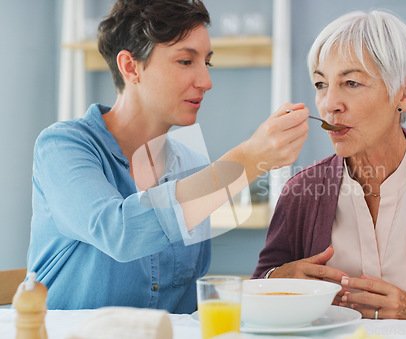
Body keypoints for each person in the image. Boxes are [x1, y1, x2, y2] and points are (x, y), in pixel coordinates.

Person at [27, 0, 309, 313]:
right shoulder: (63, 147)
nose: (206, 82)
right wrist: (248, 160)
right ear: (131, 67)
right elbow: (119, 232)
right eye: (186, 61)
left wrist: (272, 283)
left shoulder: (192, 167)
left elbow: (191, 309)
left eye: (207, 63)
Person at [252, 10, 406, 321]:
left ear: (405, 93)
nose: (330, 103)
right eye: (320, 84)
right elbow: (256, 300)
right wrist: (276, 281)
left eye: (351, 82)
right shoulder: (301, 192)